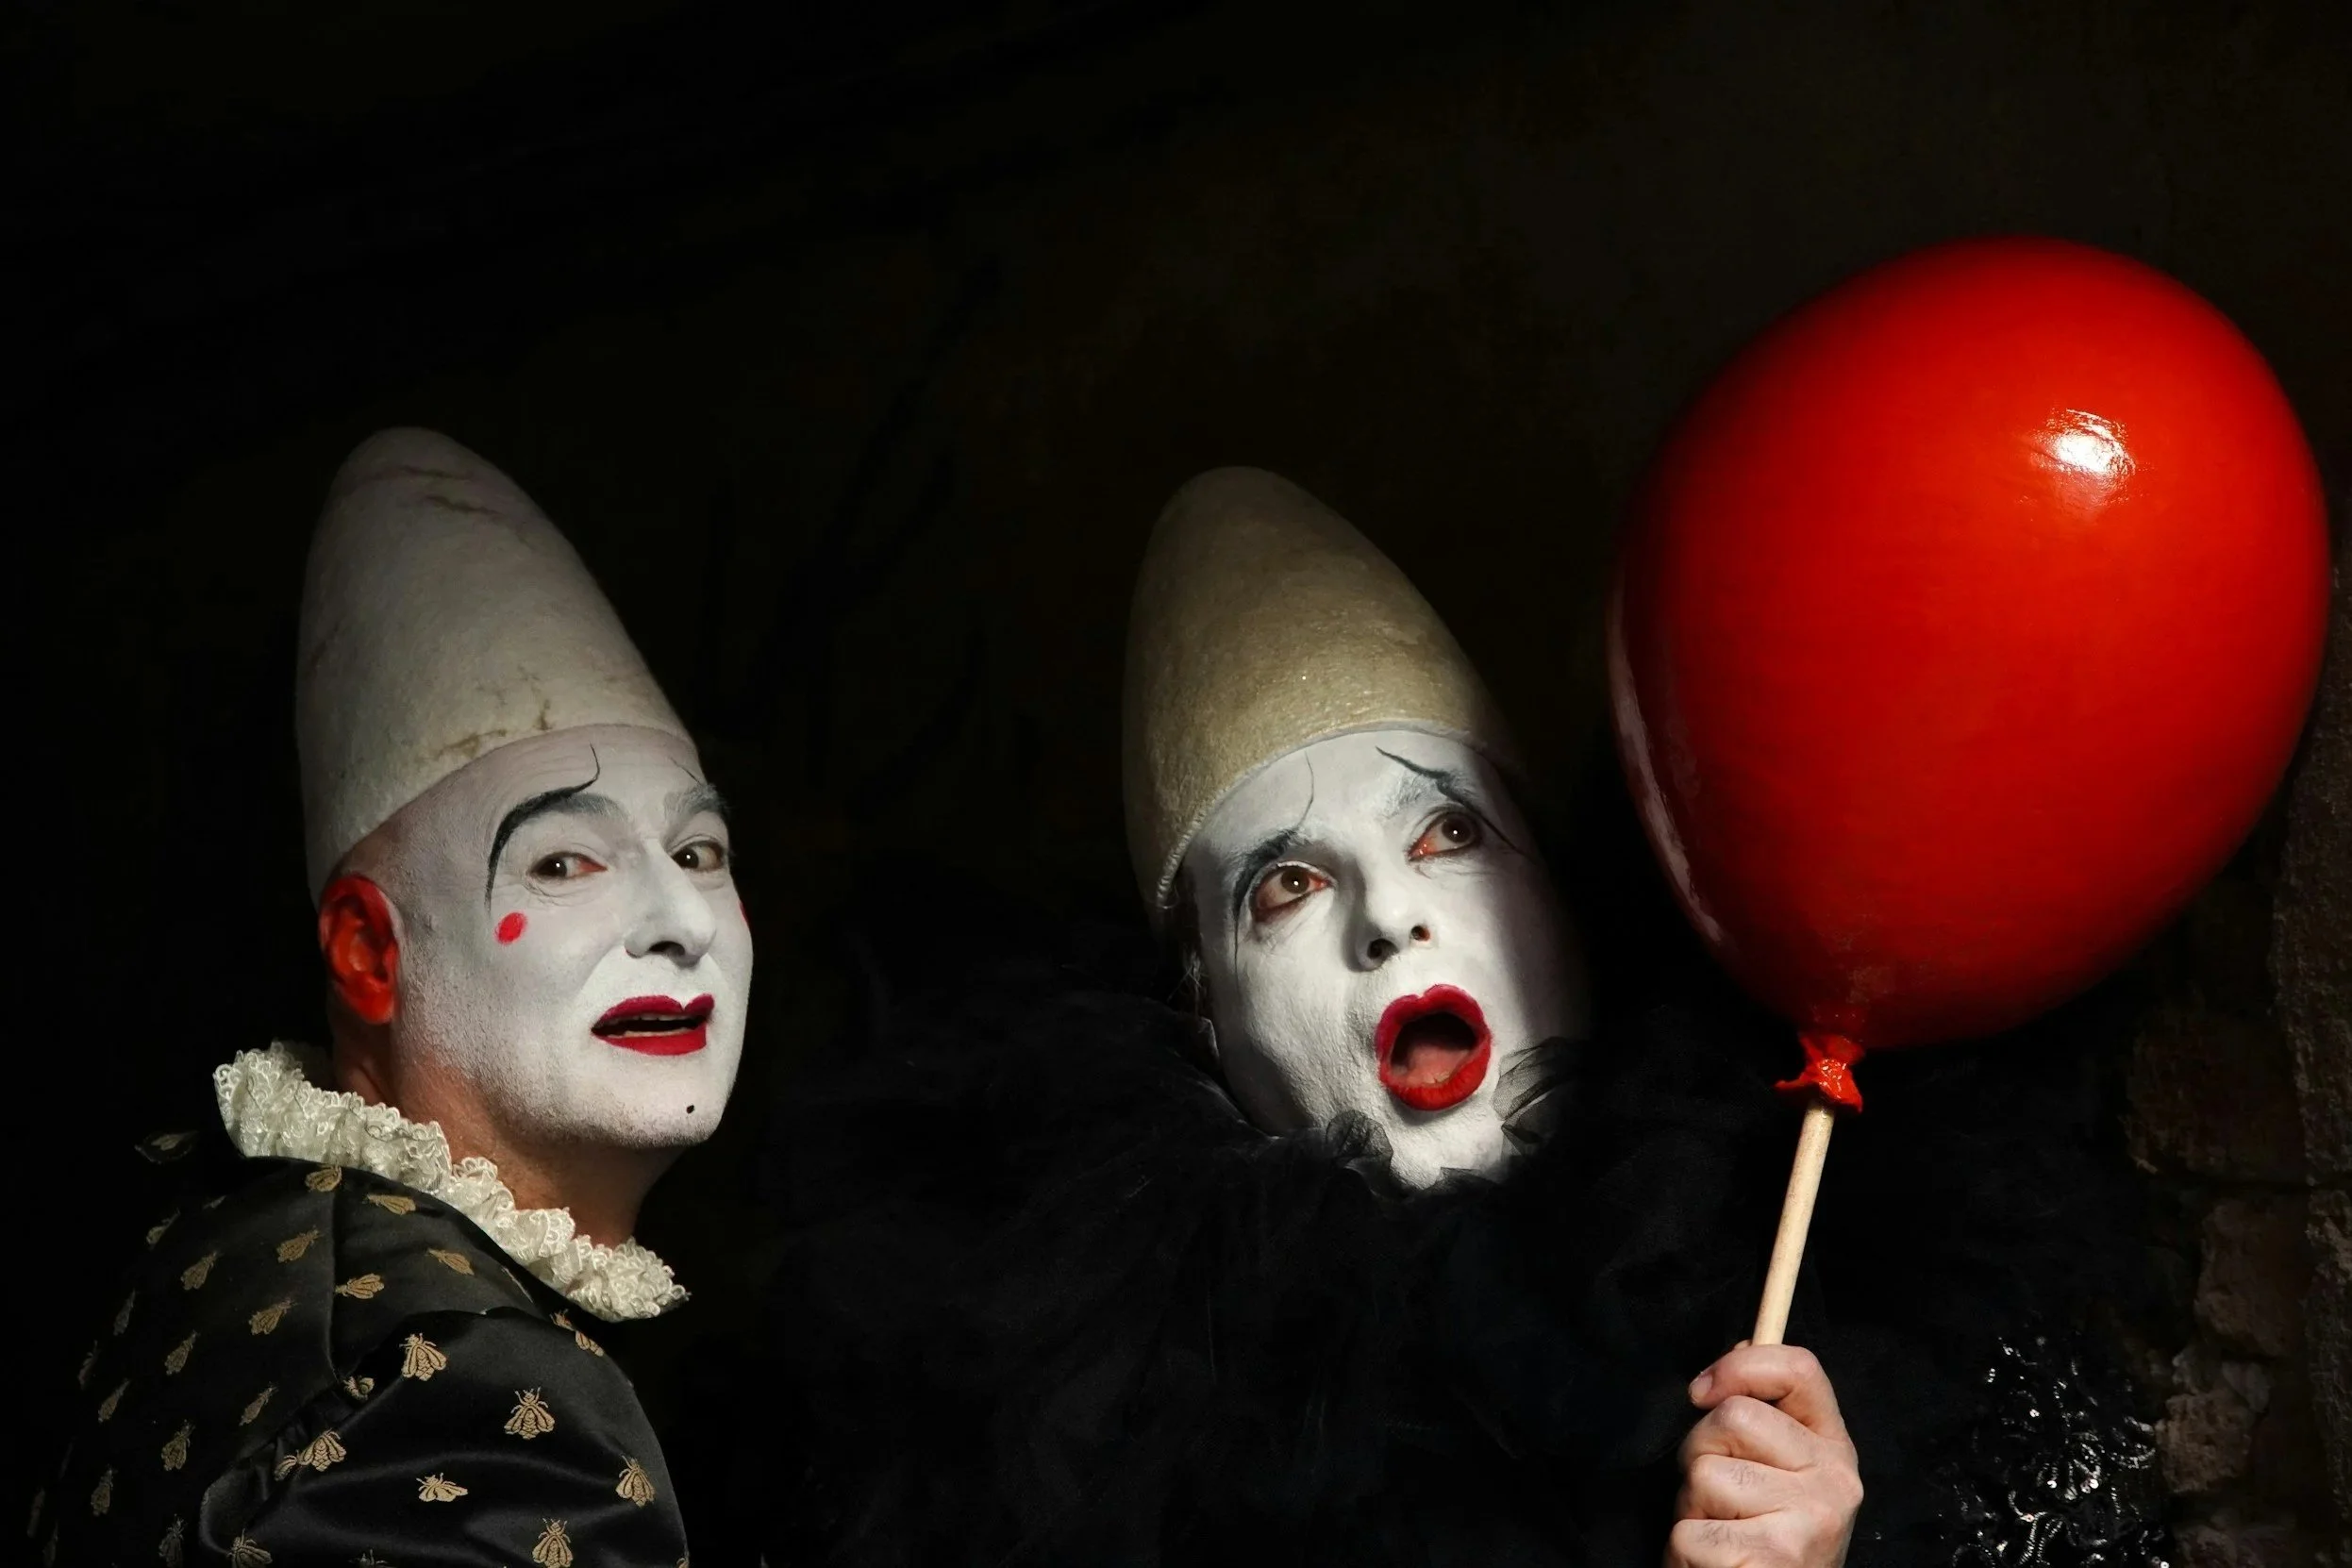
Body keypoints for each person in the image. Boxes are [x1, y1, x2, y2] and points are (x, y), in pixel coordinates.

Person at [737, 468, 2169, 1568]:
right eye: (1288, 886)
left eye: (1449, 836)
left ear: (1565, 901)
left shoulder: (1876, 1287)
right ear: (1202, 1021)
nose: (1390, 918)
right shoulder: (1082, 1449)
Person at [37, 429, 752, 1566]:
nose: (684, 920)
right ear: (370, 952)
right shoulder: (457, 1386)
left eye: (700, 852)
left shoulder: (237, 1229)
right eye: (565, 862)